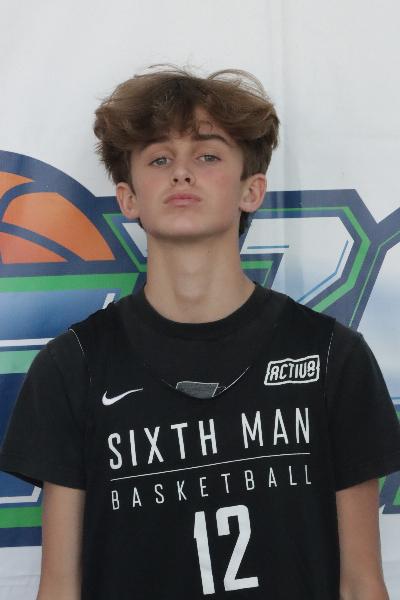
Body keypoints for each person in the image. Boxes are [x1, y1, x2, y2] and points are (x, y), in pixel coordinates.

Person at [1, 65, 400, 600]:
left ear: (251, 190)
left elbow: (362, 584)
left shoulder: (332, 356)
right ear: (128, 198)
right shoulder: (73, 365)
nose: (181, 173)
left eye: (208, 156)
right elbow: (59, 588)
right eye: (159, 159)